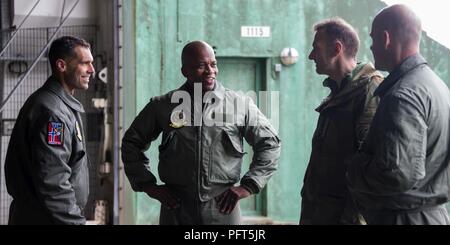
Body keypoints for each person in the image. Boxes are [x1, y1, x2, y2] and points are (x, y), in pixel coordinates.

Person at [122, 40, 281, 225]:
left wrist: (249, 185)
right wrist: (148, 186)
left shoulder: (240, 104)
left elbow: (270, 143)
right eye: (200, 66)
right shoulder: (163, 105)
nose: (209, 71)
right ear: (185, 71)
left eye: (213, 64)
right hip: (176, 208)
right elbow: (131, 143)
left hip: (223, 207)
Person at [347, 4, 450, 225]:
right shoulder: (437, 86)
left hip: (403, 218)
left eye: (373, 39)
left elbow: (394, 174)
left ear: (386, 39)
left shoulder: (402, 95)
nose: (372, 47)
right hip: (430, 215)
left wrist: (354, 166)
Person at [300, 17, 383, 225]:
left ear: (337, 48)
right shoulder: (338, 92)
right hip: (320, 213)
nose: (311, 56)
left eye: (315, 48)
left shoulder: (369, 89)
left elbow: (371, 164)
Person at [4, 36, 94, 225]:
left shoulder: (62, 106)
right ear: (61, 66)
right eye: (85, 63)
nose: (91, 70)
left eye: (91, 63)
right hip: (45, 219)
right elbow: (54, 182)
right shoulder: (52, 112)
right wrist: (76, 223)